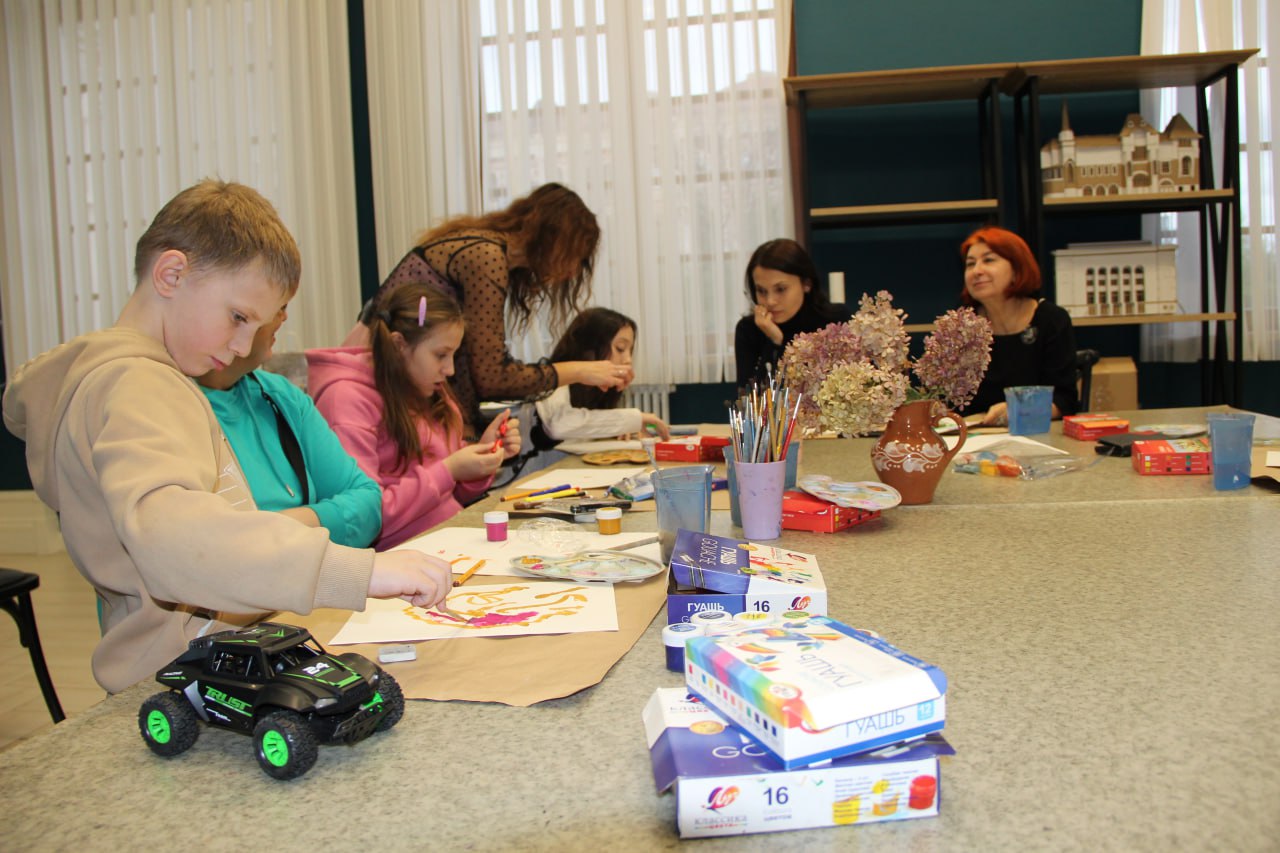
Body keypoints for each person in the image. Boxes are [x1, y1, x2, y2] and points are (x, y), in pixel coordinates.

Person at [0, 180, 452, 694]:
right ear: (171, 274)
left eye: (254, 326)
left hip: (193, 659)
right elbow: (176, 540)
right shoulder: (139, 382)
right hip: (182, 676)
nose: (242, 347)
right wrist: (360, 573)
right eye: (238, 317)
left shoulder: (124, 378)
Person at [347, 183, 628, 439]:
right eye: (576, 256)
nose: (573, 272)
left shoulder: (486, 253)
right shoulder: (487, 258)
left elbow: (478, 369)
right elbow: (492, 377)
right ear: (554, 239)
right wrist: (579, 371)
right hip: (386, 393)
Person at [309, 282, 522, 550]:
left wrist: (482, 458)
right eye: (441, 355)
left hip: (445, 539)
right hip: (398, 555)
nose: (450, 370)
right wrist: (448, 471)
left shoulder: (427, 386)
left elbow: (453, 492)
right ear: (399, 345)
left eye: (453, 355)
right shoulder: (347, 400)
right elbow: (364, 516)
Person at [197, 306, 382, 548]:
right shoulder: (174, 410)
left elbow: (369, 503)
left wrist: (280, 527)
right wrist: (320, 520)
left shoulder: (281, 396)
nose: (283, 318)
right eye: (277, 307)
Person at [955, 226, 1080, 425]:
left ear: (1017, 268)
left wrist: (1020, 409)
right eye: (970, 264)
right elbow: (951, 402)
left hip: (1036, 433)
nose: (976, 271)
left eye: (989, 260)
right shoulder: (962, 326)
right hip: (975, 436)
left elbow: (1065, 401)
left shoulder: (1051, 320)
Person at [535, 307, 671, 442]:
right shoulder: (553, 376)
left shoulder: (602, 389)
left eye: (630, 351)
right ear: (589, 348)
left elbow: (589, 427)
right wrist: (632, 419)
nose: (628, 360)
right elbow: (560, 426)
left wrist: (620, 428)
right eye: (620, 348)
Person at [735, 238, 851, 391]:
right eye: (761, 291)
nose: (770, 301)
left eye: (780, 289)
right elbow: (750, 398)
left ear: (806, 284)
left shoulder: (834, 321)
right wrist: (774, 344)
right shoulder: (749, 329)